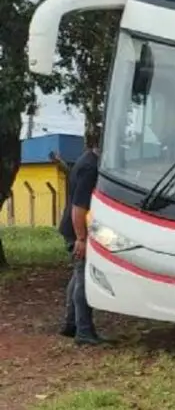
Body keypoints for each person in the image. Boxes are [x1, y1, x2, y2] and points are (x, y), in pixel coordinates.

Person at [57, 128, 105, 346]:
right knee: (84, 277)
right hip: (77, 229)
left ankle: (71, 324)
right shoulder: (90, 167)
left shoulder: (87, 159)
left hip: (73, 227)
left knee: (78, 276)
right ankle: (84, 331)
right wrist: (81, 239)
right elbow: (79, 206)